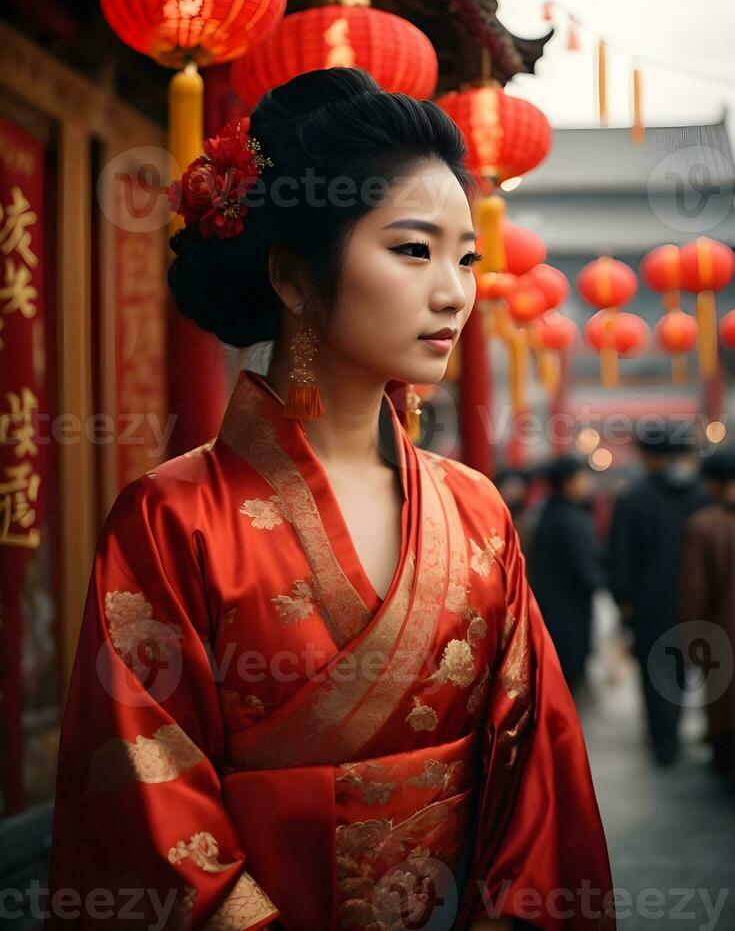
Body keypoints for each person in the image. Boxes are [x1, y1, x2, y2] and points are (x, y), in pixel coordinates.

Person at [44, 68, 615, 931]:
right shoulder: (170, 519)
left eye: (467, 258)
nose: (454, 291)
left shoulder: (475, 511)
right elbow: (141, 800)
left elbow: (536, 770)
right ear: (292, 276)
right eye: (413, 250)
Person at [609, 427, 709, 767]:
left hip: (649, 603)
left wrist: (623, 601)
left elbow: (621, 556)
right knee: (682, 668)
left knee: (654, 671)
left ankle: (662, 738)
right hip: (693, 601)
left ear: (648, 456)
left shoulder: (634, 497)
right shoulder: (701, 495)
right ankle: (676, 730)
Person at [678, 447, 735, 788]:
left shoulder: (703, 526)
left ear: (712, 484)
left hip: (723, 636)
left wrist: (691, 642)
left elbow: (694, 593)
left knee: (723, 708)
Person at [526, 455, 606, 693]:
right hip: (570, 608)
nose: (587, 484)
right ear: (567, 482)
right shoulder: (574, 519)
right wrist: (606, 581)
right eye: (582, 478)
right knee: (570, 668)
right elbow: (586, 571)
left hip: (548, 603)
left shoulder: (546, 512)